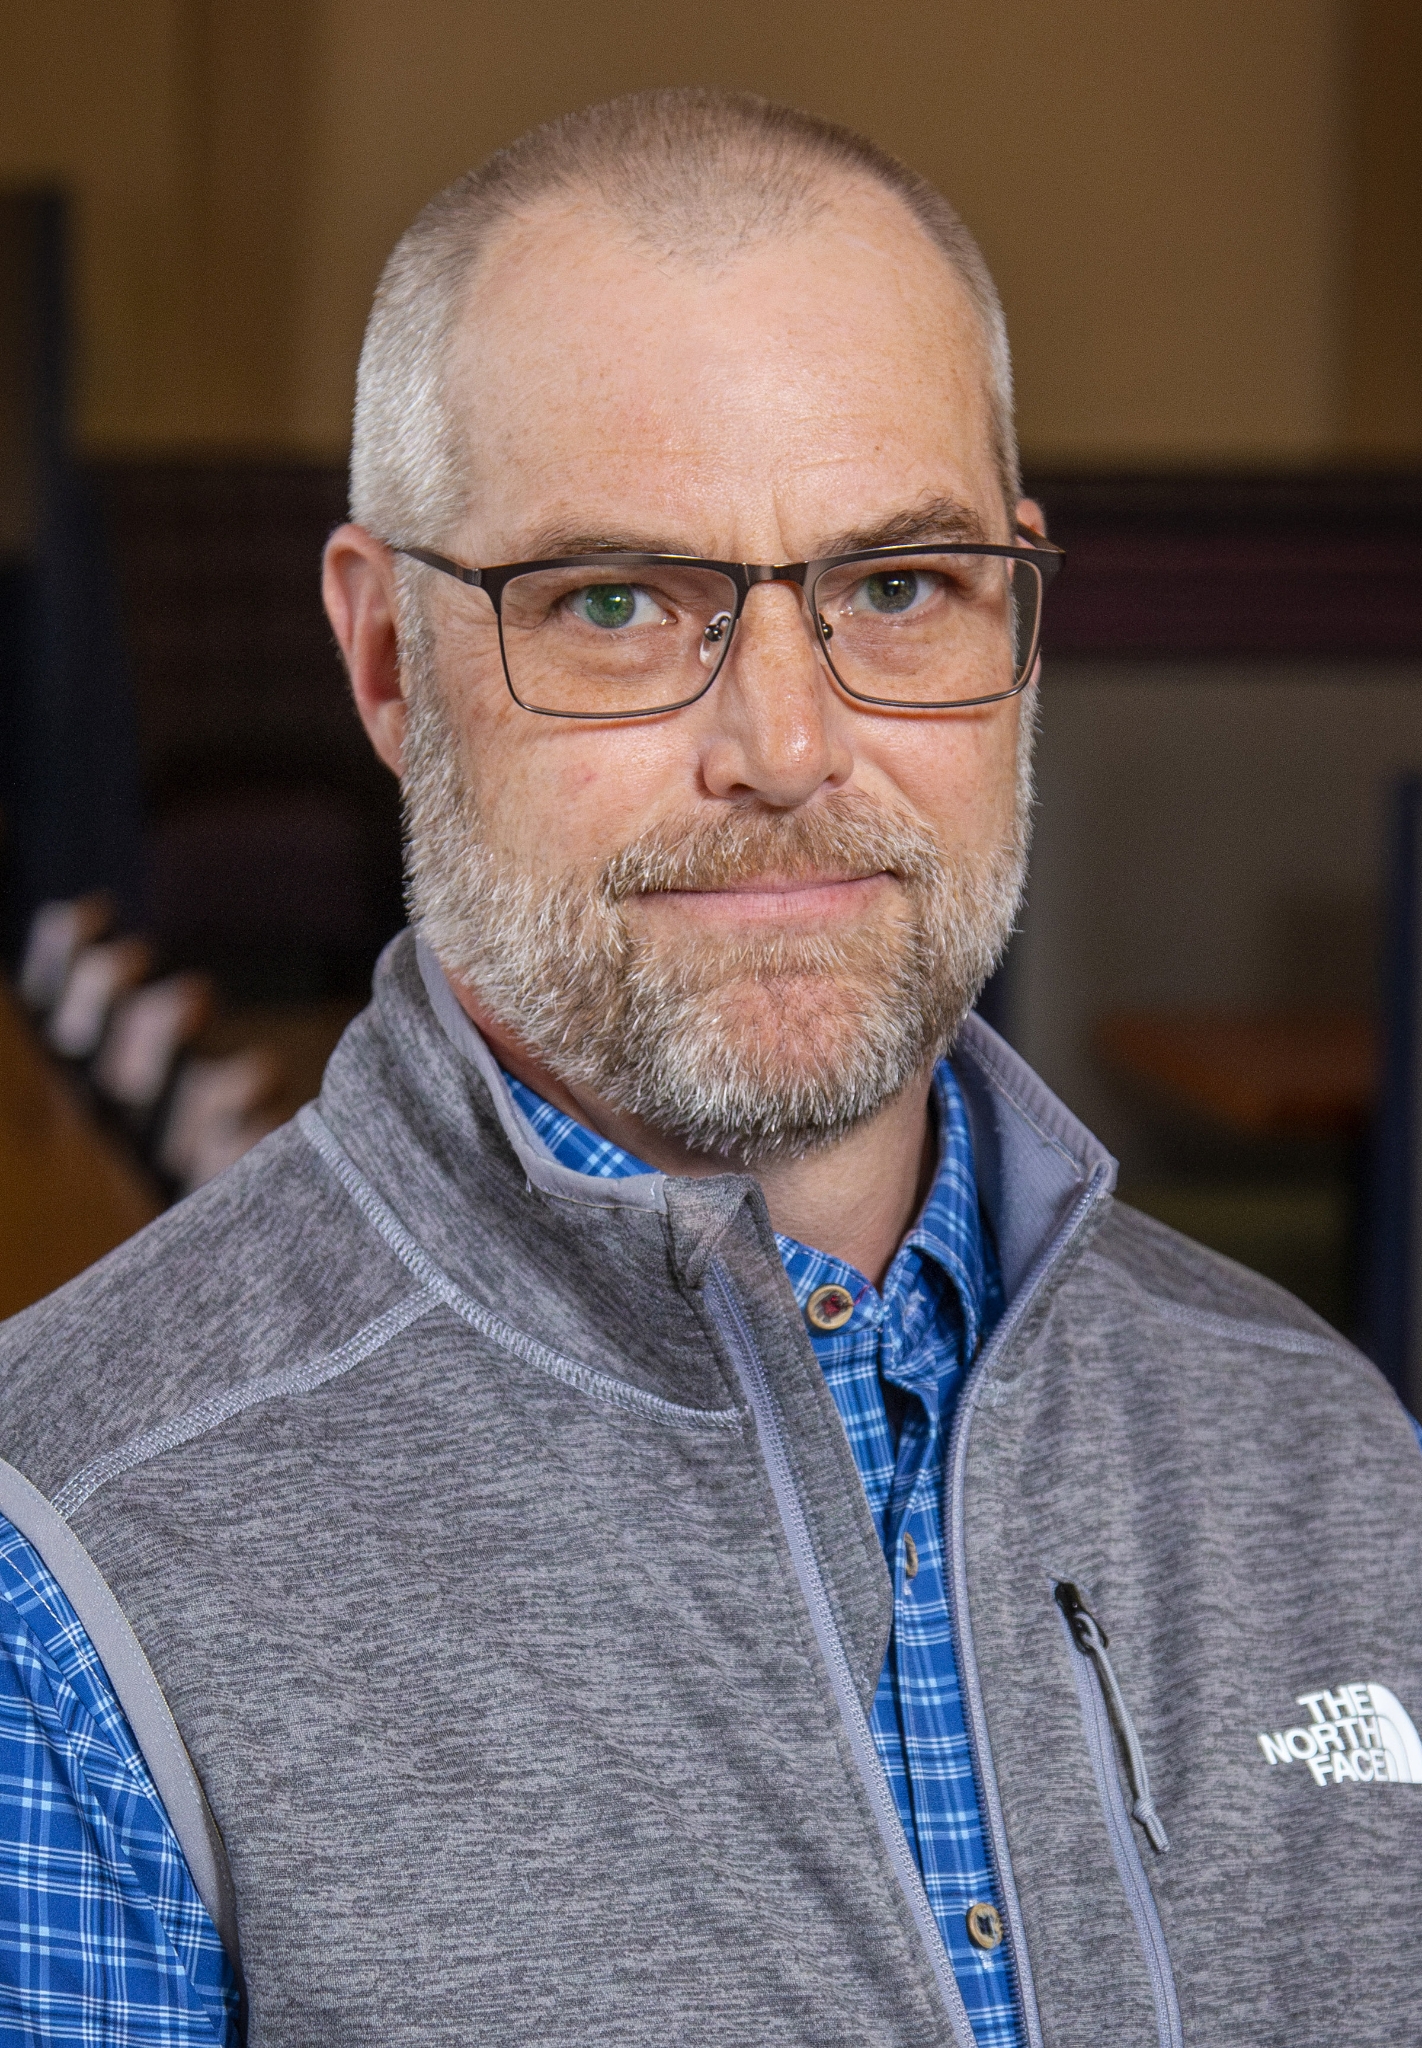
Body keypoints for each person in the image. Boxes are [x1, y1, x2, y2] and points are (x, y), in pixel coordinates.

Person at [0, 86, 1418, 2048]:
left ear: (1018, 601)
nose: (785, 741)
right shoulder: (63, 1562)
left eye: (897, 586)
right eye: (613, 601)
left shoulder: (1330, 1456)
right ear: (389, 658)